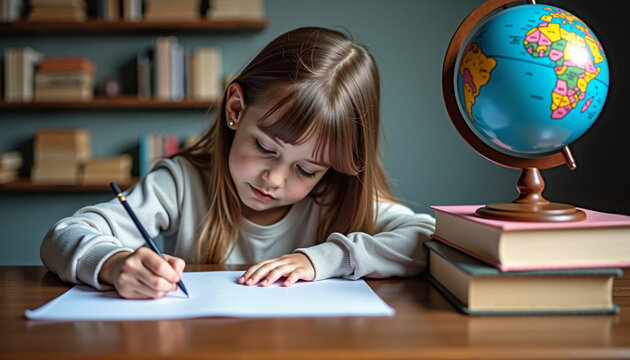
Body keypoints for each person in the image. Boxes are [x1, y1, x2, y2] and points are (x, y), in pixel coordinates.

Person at [40, 26, 436, 299]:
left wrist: (323, 259)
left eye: (306, 169)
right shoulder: (181, 183)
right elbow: (64, 235)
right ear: (235, 109)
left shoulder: (334, 197)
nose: (276, 178)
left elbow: (427, 235)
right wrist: (113, 263)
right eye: (265, 147)